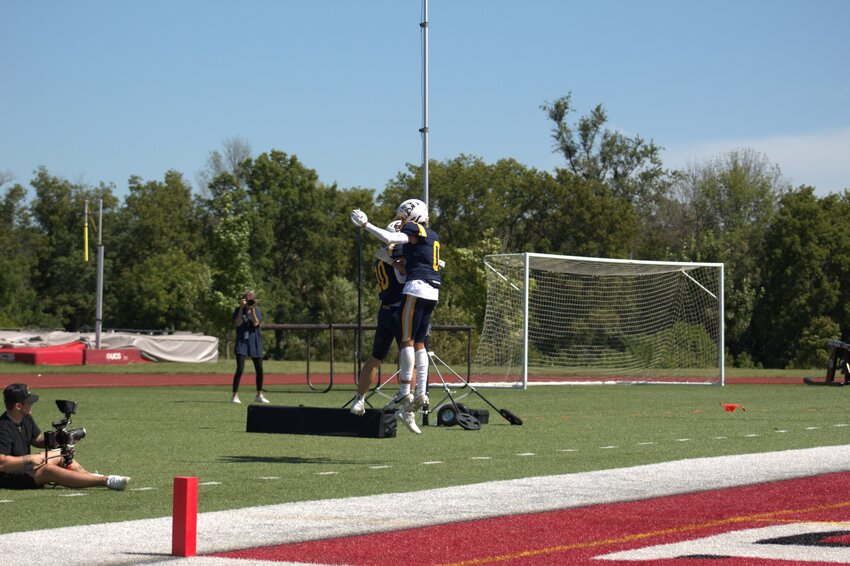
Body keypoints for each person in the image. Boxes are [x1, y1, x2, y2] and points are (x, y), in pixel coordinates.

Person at [351, 199, 442, 433]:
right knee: (412, 345)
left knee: (388, 353)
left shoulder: (398, 245)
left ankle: (366, 398)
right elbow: (403, 270)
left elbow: (398, 254)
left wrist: (367, 226)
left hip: (390, 307)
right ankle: (411, 395)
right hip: (411, 299)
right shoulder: (427, 237)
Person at [0, 383, 130, 491]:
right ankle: (106, 480)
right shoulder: (3, 428)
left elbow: (37, 439)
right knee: (48, 470)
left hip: (25, 467)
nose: (31, 404)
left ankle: (88, 476)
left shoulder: (25, 418)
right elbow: (2, 463)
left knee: (60, 454)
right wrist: (29, 458)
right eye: (28, 402)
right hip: (9, 477)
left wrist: (60, 437)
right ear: (18, 406)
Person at [350, 222, 409, 421]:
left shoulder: (381, 254)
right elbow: (402, 277)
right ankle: (406, 399)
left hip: (384, 311)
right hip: (399, 309)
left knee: (375, 358)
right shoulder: (397, 249)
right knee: (410, 355)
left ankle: (359, 398)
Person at [231, 291, 269, 404]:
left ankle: (259, 394)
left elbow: (256, 323)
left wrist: (252, 309)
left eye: (251, 300)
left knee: (260, 369)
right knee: (240, 369)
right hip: (242, 341)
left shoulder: (256, 310)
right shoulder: (238, 310)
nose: (249, 303)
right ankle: (234, 395)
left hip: (254, 341)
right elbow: (237, 323)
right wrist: (241, 309)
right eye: (247, 300)